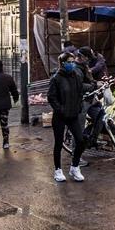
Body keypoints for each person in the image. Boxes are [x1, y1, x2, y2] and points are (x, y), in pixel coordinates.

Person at [48, 51, 87, 183]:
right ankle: (58, 170)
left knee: (80, 141)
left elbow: (80, 92)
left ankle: (74, 167)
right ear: (63, 63)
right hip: (60, 116)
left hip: (73, 114)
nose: (72, 64)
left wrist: (79, 106)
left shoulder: (76, 76)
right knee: (58, 143)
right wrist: (60, 109)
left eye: (73, 62)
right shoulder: (56, 78)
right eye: (69, 62)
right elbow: (51, 97)